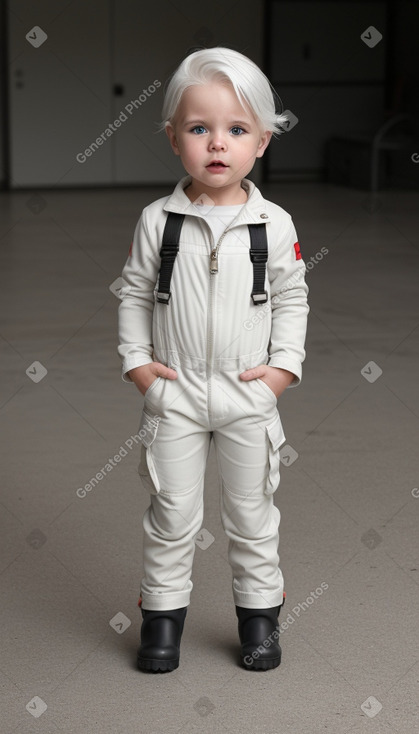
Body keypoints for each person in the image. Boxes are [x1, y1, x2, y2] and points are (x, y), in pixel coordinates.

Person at [117, 46, 309, 673]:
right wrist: (139, 364)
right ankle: (162, 622)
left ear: (262, 142)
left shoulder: (272, 225)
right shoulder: (158, 222)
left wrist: (282, 368)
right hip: (174, 392)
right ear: (175, 139)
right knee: (171, 512)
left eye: (236, 130)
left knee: (252, 513)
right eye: (200, 129)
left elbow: (291, 296)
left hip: (246, 394)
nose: (217, 144)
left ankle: (259, 621)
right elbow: (134, 293)